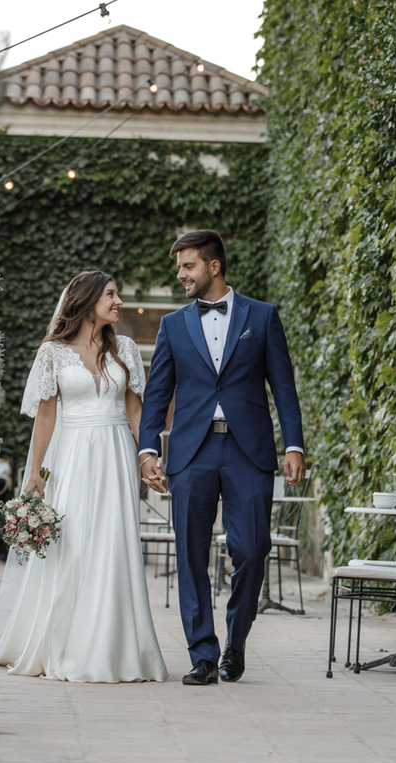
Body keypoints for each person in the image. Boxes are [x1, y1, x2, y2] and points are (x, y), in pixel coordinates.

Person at [0, 271, 167, 683]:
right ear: (86, 301)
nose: (118, 301)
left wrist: (147, 459)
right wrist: (35, 475)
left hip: (117, 452)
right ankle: (69, 642)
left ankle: (115, 645)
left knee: (114, 544)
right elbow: (46, 417)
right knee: (76, 545)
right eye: (111, 295)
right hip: (74, 458)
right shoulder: (53, 354)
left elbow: (136, 411)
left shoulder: (127, 349)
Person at [139, 230, 305, 685]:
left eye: (188, 266)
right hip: (191, 451)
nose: (181, 275)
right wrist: (148, 450)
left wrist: (294, 445)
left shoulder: (263, 317)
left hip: (247, 449)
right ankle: (203, 655)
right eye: (179, 268)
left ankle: (236, 642)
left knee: (252, 549)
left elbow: (283, 387)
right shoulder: (173, 325)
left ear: (213, 266)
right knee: (190, 554)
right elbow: (157, 394)